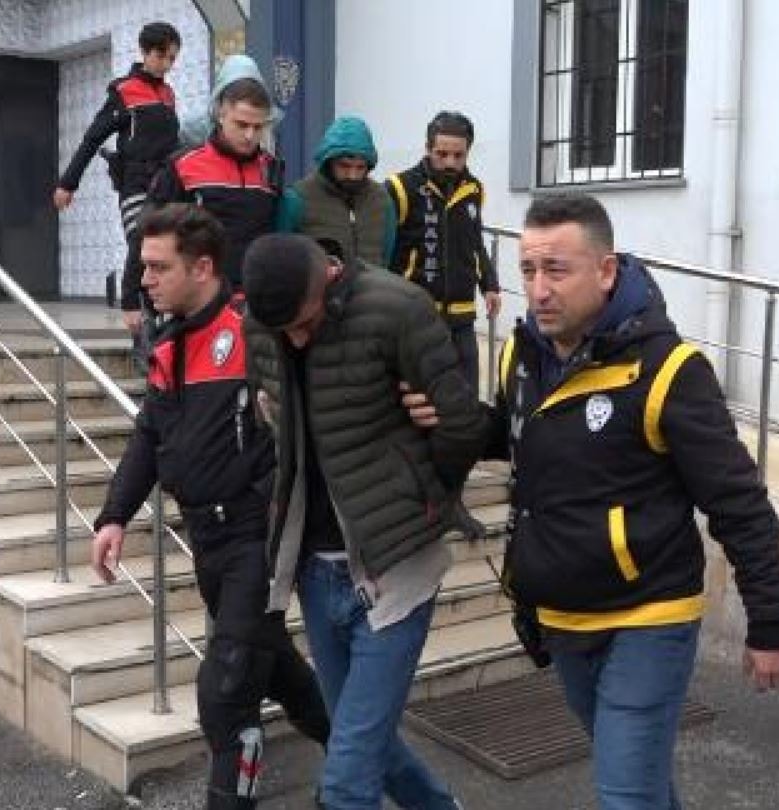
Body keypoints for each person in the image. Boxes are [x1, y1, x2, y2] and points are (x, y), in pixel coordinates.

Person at [404, 194, 779, 810]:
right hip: (562, 618)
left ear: (606, 270)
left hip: (648, 616)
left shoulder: (670, 369)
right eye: (528, 270)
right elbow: (517, 437)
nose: (539, 290)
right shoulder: (521, 355)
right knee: (639, 783)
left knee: (625, 792)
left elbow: (738, 504)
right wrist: (450, 419)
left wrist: (772, 624)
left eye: (556, 270)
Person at [89, 205, 329, 810]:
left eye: (158, 267)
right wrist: (114, 516)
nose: (144, 279)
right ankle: (367, 755)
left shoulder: (253, 331)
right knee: (275, 668)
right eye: (143, 266)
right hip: (207, 539)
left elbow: (314, 411)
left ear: (202, 268)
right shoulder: (167, 342)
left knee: (225, 692)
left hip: (256, 534)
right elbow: (150, 435)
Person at [241, 233, 484, 810]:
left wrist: (428, 494)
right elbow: (271, 426)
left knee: (347, 779)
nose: (296, 338)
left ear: (328, 275)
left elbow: (462, 422)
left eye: (304, 323)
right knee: (366, 740)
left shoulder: (398, 308)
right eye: (283, 330)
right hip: (315, 570)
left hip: (395, 566)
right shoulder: (261, 326)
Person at [54, 21, 181, 356]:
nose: (167, 65)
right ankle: (138, 326)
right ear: (146, 52)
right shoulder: (124, 90)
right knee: (144, 246)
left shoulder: (168, 94)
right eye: (162, 56)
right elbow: (92, 138)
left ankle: (161, 338)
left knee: (168, 256)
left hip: (167, 186)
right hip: (136, 185)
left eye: (172, 58)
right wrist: (68, 183)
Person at [128, 54, 282, 299]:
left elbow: (274, 234)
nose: (250, 136)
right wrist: (131, 299)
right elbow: (148, 231)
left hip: (254, 301)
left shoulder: (270, 168)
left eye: (258, 127)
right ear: (220, 115)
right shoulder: (183, 165)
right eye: (242, 125)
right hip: (197, 301)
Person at [387, 111, 501, 396]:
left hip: (463, 316)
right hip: (417, 316)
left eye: (458, 155)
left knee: (466, 397)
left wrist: (490, 285)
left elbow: (474, 242)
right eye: (442, 154)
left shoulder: (474, 189)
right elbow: (384, 251)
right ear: (427, 149)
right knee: (420, 399)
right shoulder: (400, 188)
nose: (450, 162)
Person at [276, 115, 396, 267]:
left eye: (360, 167)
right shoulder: (296, 199)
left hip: (373, 282)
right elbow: (281, 259)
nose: (352, 175)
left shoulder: (382, 200)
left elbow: (386, 257)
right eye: (344, 166)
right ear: (328, 162)